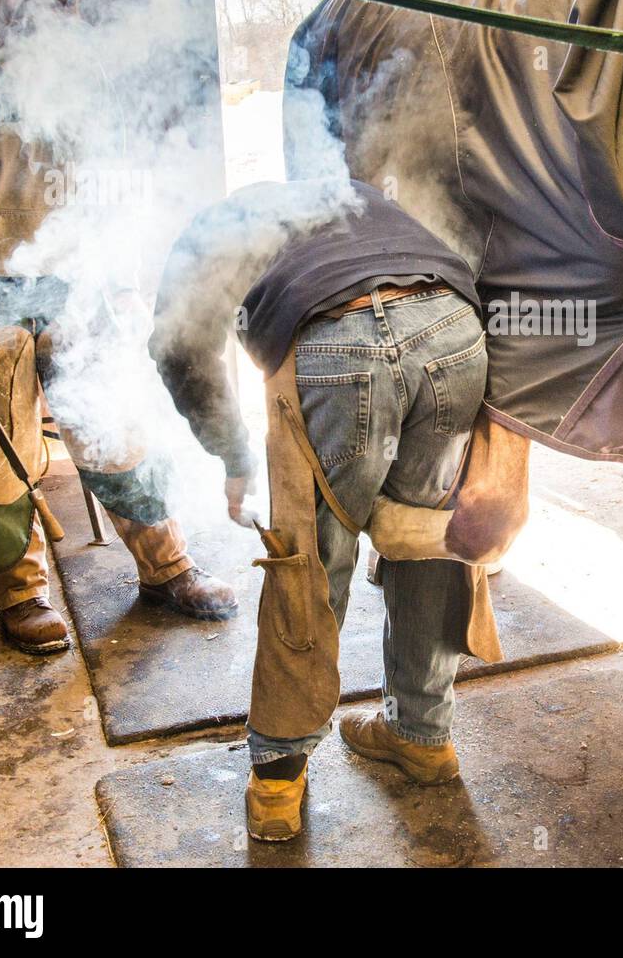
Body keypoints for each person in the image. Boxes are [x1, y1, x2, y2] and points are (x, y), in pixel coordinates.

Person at [0, 0, 236, 655]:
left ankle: (166, 565)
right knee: (0, 454)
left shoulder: (76, 73)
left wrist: (119, 280)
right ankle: (23, 595)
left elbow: (105, 185)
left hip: (77, 282)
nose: (77, 21)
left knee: (117, 431)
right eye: (66, 5)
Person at [149, 177, 501, 842]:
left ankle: (278, 780)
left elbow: (180, 350)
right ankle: (422, 735)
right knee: (424, 538)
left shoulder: (205, 231)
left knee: (308, 562)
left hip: (340, 352)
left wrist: (234, 459)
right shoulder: (357, 193)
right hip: (455, 331)